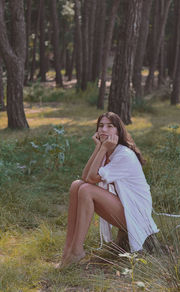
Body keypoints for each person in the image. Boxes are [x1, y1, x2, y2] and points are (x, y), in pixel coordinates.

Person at [60, 112, 159, 267]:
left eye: (109, 126)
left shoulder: (124, 155)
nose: (103, 130)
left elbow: (91, 179)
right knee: (76, 185)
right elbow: (85, 176)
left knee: (86, 190)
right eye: (101, 126)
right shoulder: (108, 151)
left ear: (118, 131)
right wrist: (99, 148)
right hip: (123, 207)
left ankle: (77, 250)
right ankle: (68, 250)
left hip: (136, 214)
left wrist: (102, 147)